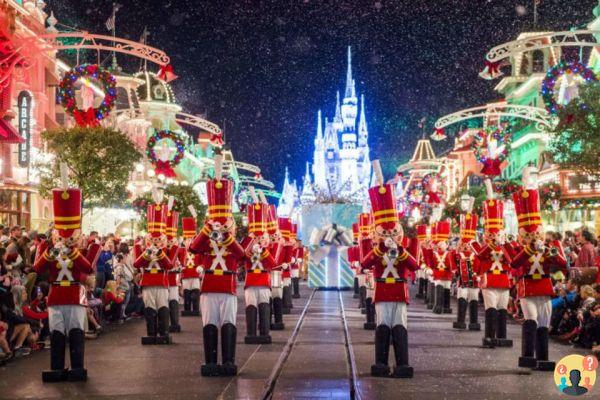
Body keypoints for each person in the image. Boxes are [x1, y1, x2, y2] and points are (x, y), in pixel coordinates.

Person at [189, 156, 245, 377]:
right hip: (209, 286)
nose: (220, 226)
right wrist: (207, 228)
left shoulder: (232, 240)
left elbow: (241, 256)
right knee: (209, 323)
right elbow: (193, 249)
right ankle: (210, 361)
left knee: (228, 323)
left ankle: (229, 361)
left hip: (228, 285)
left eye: (224, 222)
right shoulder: (207, 237)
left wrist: (227, 236)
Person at [33, 185, 95, 382]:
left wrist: (73, 252)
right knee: (57, 331)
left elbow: (88, 268)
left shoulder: (79, 251)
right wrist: (51, 252)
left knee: (76, 330)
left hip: (75, 294)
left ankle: (77, 367)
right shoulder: (50, 250)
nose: (64, 239)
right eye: (60, 236)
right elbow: (37, 268)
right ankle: (57, 367)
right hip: (56, 295)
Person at [363, 163, 419, 378]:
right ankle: (381, 363)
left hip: (399, 291)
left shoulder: (406, 246)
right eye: (385, 232)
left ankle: (403, 364)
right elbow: (366, 263)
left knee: (400, 326)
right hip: (381, 292)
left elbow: (414, 265)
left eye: (394, 231)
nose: (390, 234)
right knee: (383, 325)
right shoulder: (374, 247)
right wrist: (382, 247)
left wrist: (401, 251)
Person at [511, 175, 567, 371]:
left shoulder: (550, 247)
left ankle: (543, 357)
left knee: (544, 323)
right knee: (531, 320)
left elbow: (563, 265)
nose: (534, 237)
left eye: (536, 234)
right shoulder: (520, 248)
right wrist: (528, 249)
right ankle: (527, 356)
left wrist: (549, 251)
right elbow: (514, 263)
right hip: (527, 288)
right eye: (529, 235)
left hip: (544, 287)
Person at [476, 181, 514, 348]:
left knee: (502, 309)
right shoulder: (484, 246)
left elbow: (512, 259)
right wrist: (491, 243)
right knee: (491, 309)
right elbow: (480, 256)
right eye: (491, 234)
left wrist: (504, 243)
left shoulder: (506, 245)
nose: (494, 236)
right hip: (489, 280)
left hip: (503, 281)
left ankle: (502, 336)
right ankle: (490, 336)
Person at [133, 198, 174, 345]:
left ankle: (163, 333)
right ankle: (151, 333)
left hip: (162, 282)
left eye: (158, 239)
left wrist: (160, 253)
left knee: (162, 306)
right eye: (153, 239)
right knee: (150, 308)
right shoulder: (143, 249)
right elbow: (136, 263)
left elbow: (169, 266)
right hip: (148, 282)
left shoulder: (168, 250)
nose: (156, 241)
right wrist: (147, 253)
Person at [241, 188, 275, 344]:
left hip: (263, 280)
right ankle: (251, 333)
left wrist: (263, 251)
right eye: (257, 237)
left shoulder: (267, 248)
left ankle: (264, 332)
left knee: (264, 306)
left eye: (262, 236)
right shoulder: (248, 244)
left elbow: (272, 264)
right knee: (251, 307)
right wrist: (250, 242)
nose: (259, 239)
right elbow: (241, 257)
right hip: (250, 281)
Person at [453, 205, 481, 331]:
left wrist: (479, 275)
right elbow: (452, 261)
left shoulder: (477, 255)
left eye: (468, 245)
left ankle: (474, 322)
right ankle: (461, 320)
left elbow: (480, 265)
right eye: (464, 244)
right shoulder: (457, 254)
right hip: (462, 281)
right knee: (462, 298)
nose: (466, 247)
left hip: (474, 281)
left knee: (474, 299)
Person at [180, 213, 202, 317]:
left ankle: (196, 309)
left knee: (195, 292)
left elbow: (202, 261)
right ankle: (187, 309)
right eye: (187, 239)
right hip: (185, 273)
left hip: (195, 273)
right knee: (187, 293)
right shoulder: (180, 250)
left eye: (191, 239)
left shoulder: (198, 250)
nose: (189, 241)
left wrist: (201, 267)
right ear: (184, 241)